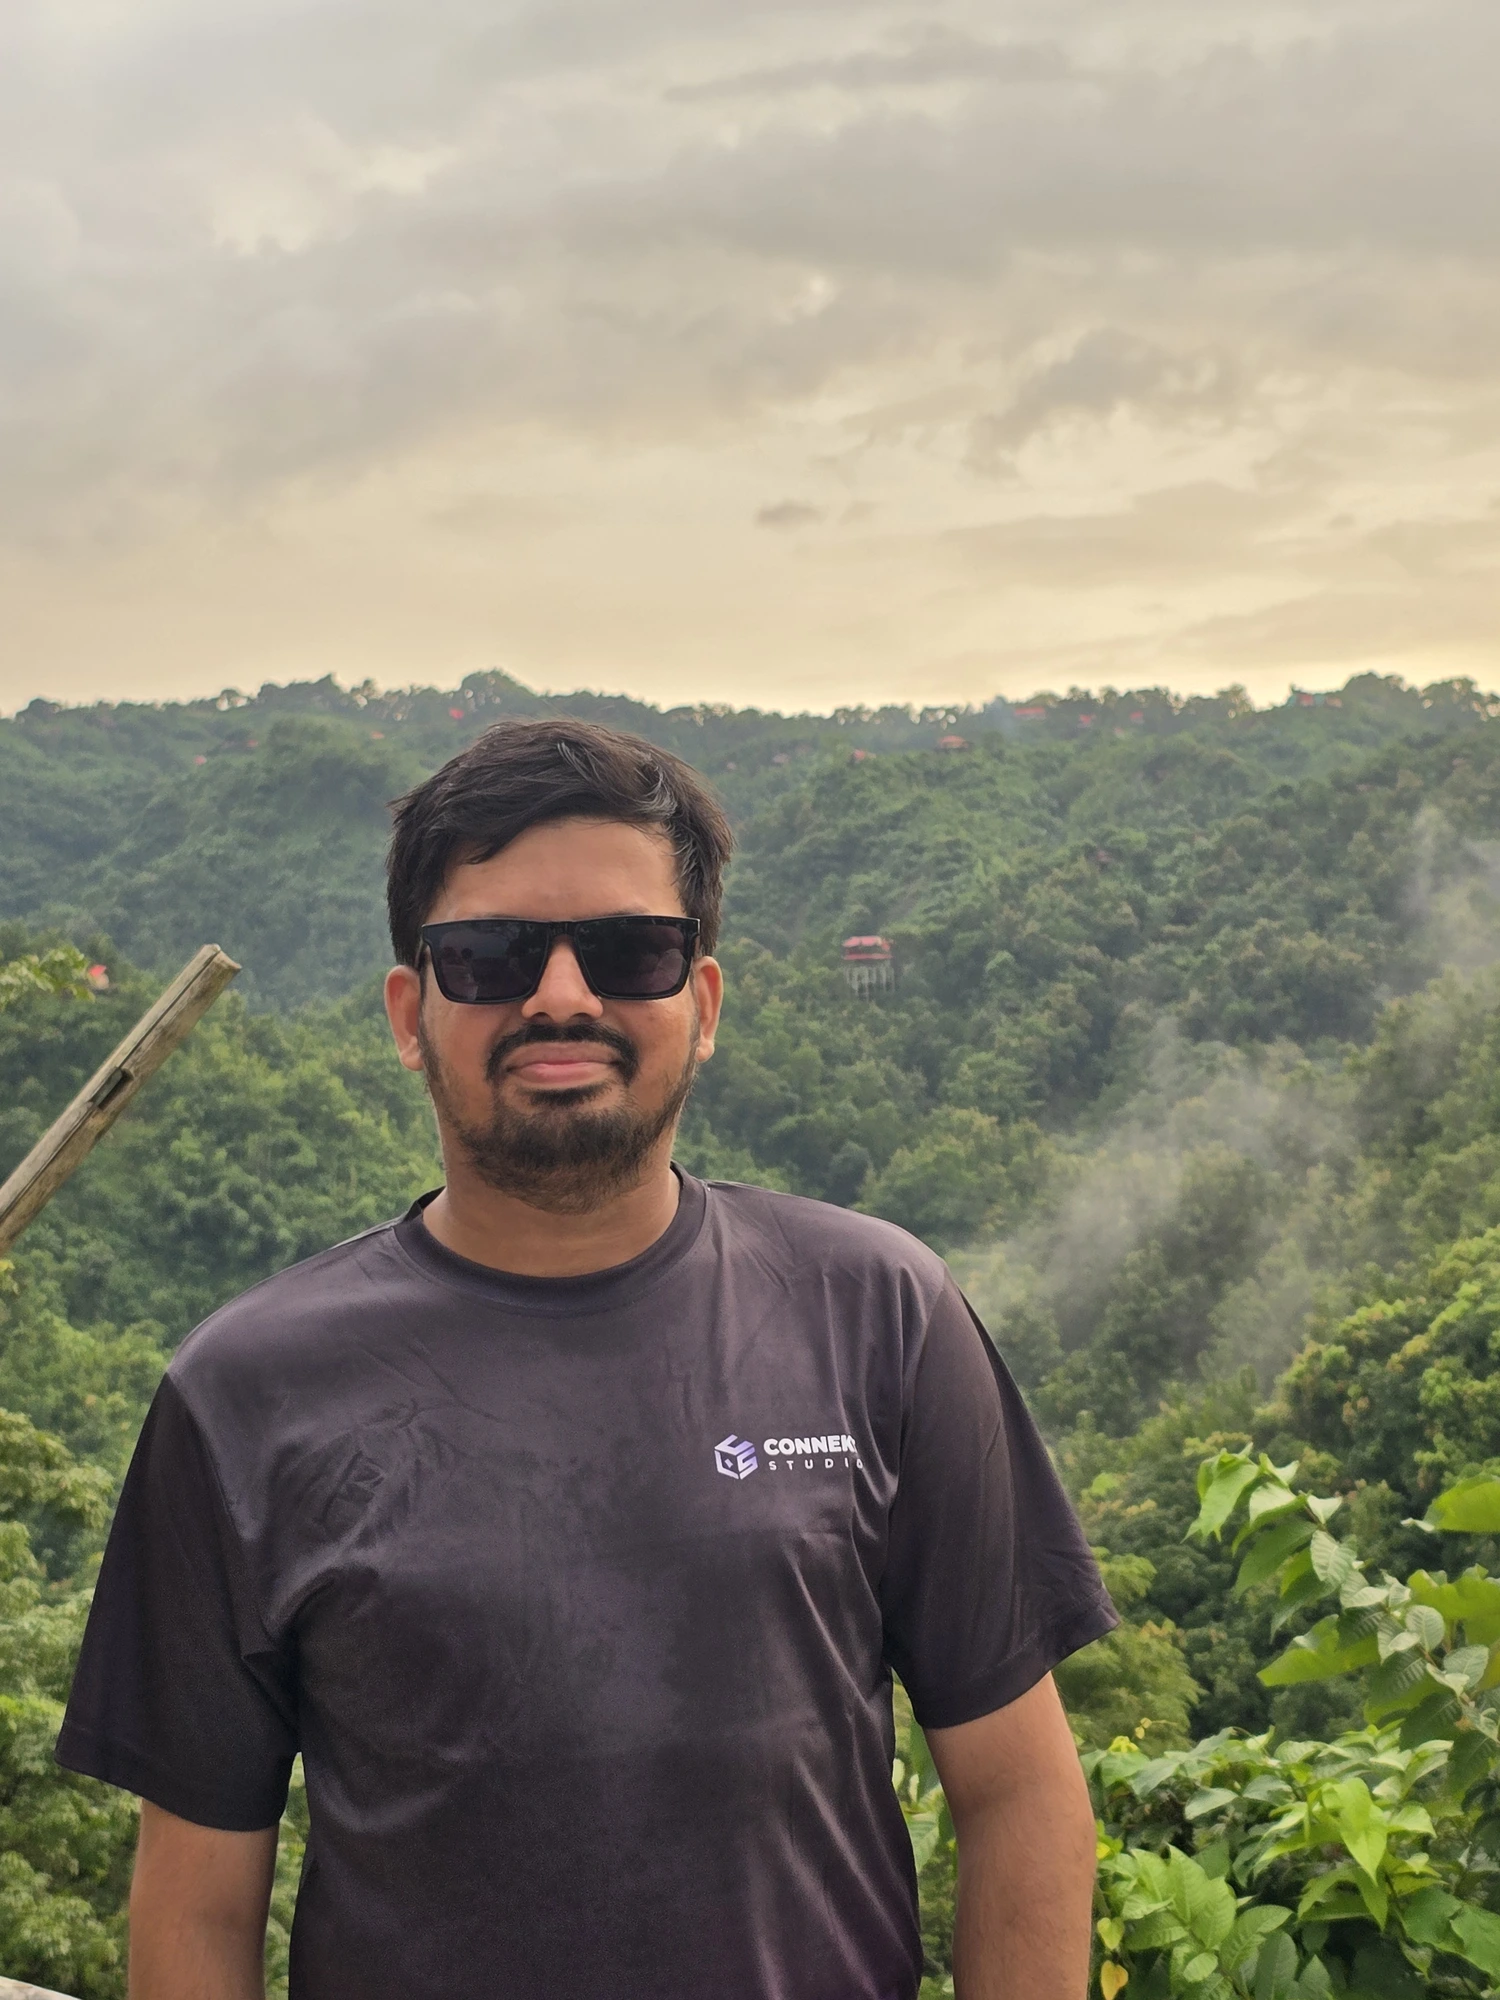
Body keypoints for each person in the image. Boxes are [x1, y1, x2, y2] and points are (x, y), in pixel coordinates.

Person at [57, 718, 1116, 2000]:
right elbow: (197, 1905)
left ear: (703, 1000)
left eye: (628, 949)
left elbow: (1019, 1794)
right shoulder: (242, 1394)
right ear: (410, 1011)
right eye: (490, 954)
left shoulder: (880, 1313)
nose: (561, 994)